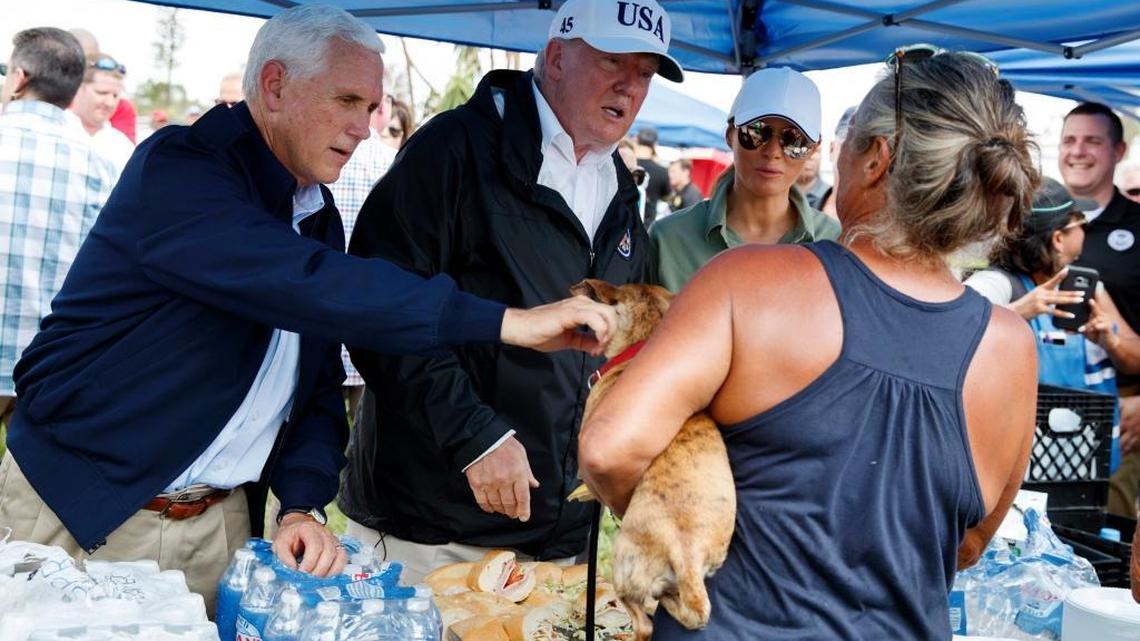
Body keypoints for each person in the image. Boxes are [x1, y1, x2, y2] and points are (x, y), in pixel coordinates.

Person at [0, 5, 619, 613]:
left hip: (218, 524)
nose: (364, 126)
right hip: (82, 508)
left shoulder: (314, 216)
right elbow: (304, 282)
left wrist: (299, 502)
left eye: (372, 108)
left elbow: (316, 387)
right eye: (347, 101)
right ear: (274, 85)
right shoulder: (182, 168)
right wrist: (509, 322)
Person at [580, 48, 1039, 638]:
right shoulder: (1011, 348)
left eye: (839, 142)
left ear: (877, 158)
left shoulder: (750, 280)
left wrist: (683, 529)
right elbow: (966, 544)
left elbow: (609, 449)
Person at [340, 0, 683, 584]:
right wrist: (474, 437)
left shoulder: (621, 189)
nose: (629, 85)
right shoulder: (454, 150)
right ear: (555, 56)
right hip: (433, 532)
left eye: (646, 71)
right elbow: (377, 309)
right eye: (611, 61)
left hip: (557, 540)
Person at [0, 27, 115, 426]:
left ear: (19, 79)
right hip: (47, 364)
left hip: (45, 363)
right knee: (22, 485)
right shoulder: (99, 166)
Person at [649, 67, 840, 293]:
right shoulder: (669, 239)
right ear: (730, 135)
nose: (773, 152)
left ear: (812, 149)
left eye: (794, 140)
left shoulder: (834, 242)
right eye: (756, 133)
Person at [965, 177, 1140, 406]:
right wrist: (1016, 312)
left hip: (1098, 438)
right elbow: (949, 335)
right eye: (1082, 223)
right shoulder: (998, 285)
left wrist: (1112, 342)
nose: (1086, 232)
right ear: (1059, 238)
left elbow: (1135, 357)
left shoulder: (1085, 285)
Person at [1059, 102, 1140, 517]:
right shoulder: (1034, 218)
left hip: (1121, 411)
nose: (1078, 151)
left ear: (1119, 151)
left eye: (1093, 141)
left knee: (1106, 532)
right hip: (1041, 395)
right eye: (1070, 140)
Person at [68, 52, 134, 176]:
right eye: (102, 93)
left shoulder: (124, 147)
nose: (110, 102)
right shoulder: (54, 130)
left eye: (115, 95)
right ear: (77, 88)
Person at [818, 105, 857, 219]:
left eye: (864, 147)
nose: (856, 156)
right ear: (832, 149)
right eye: (848, 145)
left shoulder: (881, 223)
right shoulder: (804, 211)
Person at [634, 127, 670, 225]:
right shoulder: (662, 171)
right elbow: (666, 196)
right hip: (647, 227)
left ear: (636, 139)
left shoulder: (625, 164)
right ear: (655, 144)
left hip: (622, 227)